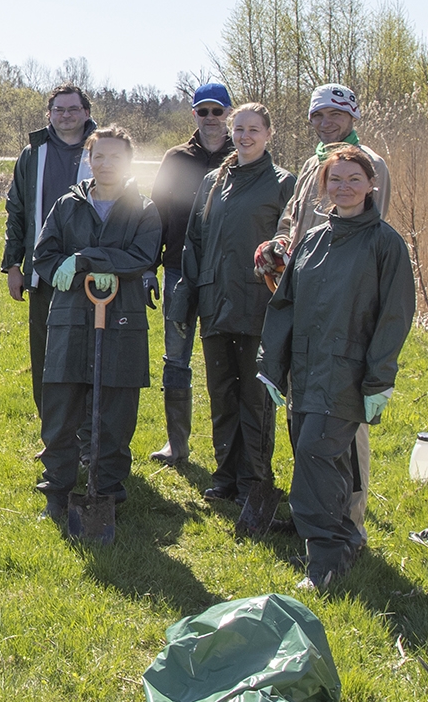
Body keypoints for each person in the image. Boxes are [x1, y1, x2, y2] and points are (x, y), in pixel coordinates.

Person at [258, 147, 414, 589]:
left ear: (371, 185)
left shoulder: (385, 244)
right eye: (335, 179)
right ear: (323, 187)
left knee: (316, 457)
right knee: (327, 458)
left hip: (348, 375)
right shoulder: (312, 239)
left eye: (353, 179)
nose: (344, 187)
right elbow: (284, 304)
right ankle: (343, 542)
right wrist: (273, 364)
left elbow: (394, 317)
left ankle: (324, 562)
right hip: (305, 372)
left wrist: (380, 378)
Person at [256, 83, 392, 538]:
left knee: (342, 422)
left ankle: (347, 521)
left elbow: (368, 235)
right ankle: (310, 511)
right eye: (318, 115)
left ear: (352, 116)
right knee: (305, 411)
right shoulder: (313, 165)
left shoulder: (368, 165)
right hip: (304, 303)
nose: (325, 122)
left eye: (335, 114)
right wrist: (278, 246)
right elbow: (292, 223)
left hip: (345, 310)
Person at [167, 105, 296, 505]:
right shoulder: (211, 181)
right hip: (215, 305)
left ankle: (255, 480)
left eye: (253, 130)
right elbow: (195, 244)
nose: (244, 136)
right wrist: (186, 299)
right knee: (222, 395)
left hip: (259, 306)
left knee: (255, 400)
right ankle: (225, 476)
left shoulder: (281, 183)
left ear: (268, 134)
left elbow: (290, 243)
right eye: (239, 129)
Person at [31, 126, 162, 519]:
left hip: (122, 319)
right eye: (99, 156)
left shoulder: (143, 208)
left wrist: (87, 259)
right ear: (88, 158)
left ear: (129, 161)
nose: (106, 164)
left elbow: (143, 254)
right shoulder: (67, 205)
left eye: (115, 157)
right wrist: (67, 266)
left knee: (115, 415)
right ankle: (57, 493)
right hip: (70, 318)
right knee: (61, 410)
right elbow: (44, 256)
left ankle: (107, 494)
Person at [148, 83, 236, 464]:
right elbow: (157, 213)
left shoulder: (243, 154)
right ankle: (177, 444)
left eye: (218, 111)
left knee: (227, 359)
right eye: (204, 111)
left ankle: (229, 449)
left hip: (227, 273)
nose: (211, 119)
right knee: (176, 356)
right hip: (179, 268)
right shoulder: (177, 158)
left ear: (229, 114)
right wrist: (148, 267)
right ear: (194, 115)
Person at [1, 83, 96, 415]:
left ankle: (87, 437)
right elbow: (17, 211)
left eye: (73, 109)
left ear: (86, 112)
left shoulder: (102, 148)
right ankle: (53, 436)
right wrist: (13, 265)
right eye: (59, 110)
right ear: (49, 114)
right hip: (43, 274)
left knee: (89, 355)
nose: (66, 116)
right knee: (45, 356)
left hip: (91, 275)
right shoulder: (33, 153)